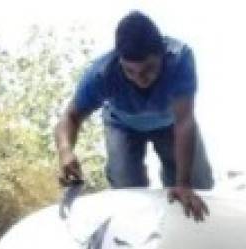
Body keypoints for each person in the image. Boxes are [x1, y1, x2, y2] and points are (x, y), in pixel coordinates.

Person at [56, 10, 212, 221]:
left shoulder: (179, 59)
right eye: (130, 72)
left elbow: (184, 122)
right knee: (126, 188)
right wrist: (66, 151)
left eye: (149, 69)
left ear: (162, 55)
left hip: (171, 125)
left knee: (198, 186)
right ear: (119, 61)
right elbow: (70, 117)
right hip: (123, 126)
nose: (140, 79)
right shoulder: (102, 73)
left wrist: (183, 183)